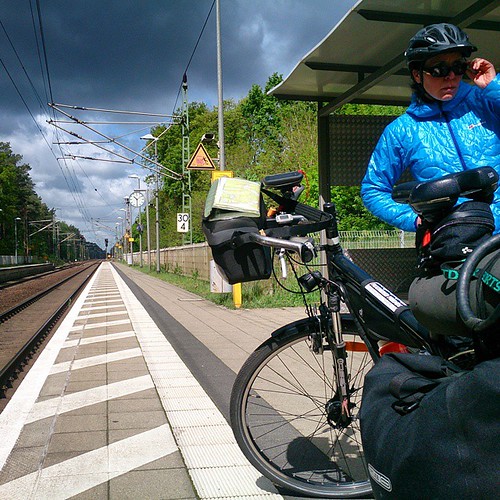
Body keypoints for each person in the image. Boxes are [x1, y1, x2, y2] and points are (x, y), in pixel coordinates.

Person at [361, 23, 500, 234]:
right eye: (439, 69)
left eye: (458, 67)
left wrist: (493, 85)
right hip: (457, 240)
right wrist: (416, 220)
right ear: (417, 75)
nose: (450, 76)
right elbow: (373, 189)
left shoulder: (485, 100)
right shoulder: (402, 130)